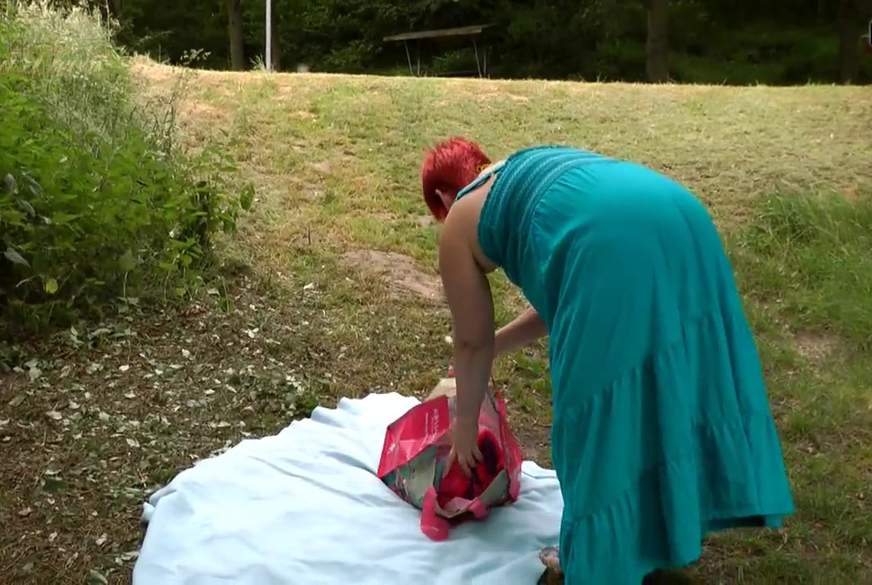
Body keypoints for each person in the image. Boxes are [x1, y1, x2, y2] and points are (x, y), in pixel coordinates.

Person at [420, 138, 794, 584]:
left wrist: (464, 429)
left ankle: (594, 562)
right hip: (680, 215)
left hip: (611, 245)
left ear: (442, 196)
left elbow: (470, 343)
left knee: (595, 415)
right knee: (668, 380)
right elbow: (563, 295)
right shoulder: (518, 173)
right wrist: (499, 344)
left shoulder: (460, 219)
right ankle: (662, 532)